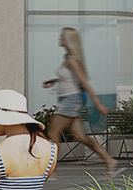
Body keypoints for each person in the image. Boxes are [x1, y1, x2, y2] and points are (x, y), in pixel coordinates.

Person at [40, 26, 118, 173]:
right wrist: (55, 81)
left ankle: (51, 169)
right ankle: (109, 160)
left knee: (52, 133)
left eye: (62, 37)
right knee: (80, 136)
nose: (59, 39)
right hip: (68, 99)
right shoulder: (67, 58)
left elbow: (84, 83)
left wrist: (98, 103)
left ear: (68, 40)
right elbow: (70, 79)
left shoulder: (72, 60)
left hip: (71, 100)